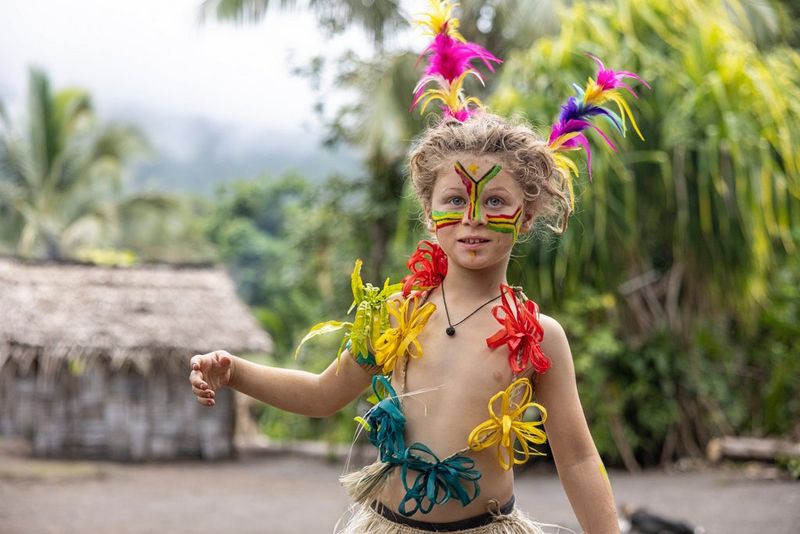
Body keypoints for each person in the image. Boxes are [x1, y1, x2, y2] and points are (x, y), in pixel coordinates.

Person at [189, 3, 647, 532]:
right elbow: (322, 395)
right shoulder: (394, 315)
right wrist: (237, 372)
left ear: (526, 215)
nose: (474, 218)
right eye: (457, 199)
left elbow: (578, 458)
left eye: (496, 201)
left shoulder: (540, 337)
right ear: (431, 214)